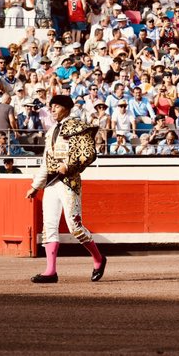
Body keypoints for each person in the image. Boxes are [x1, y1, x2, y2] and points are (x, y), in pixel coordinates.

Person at [25, 95, 107, 283]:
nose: (52, 110)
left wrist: (68, 166)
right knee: (49, 227)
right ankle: (50, 271)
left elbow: (88, 154)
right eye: (51, 107)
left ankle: (99, 259)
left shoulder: (78, 126)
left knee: (74, 227)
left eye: (56, 106)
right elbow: (46, 161)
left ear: (67, 108)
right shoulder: (52, 130)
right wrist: (35, 186)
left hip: (69, 181)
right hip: (51, 182)